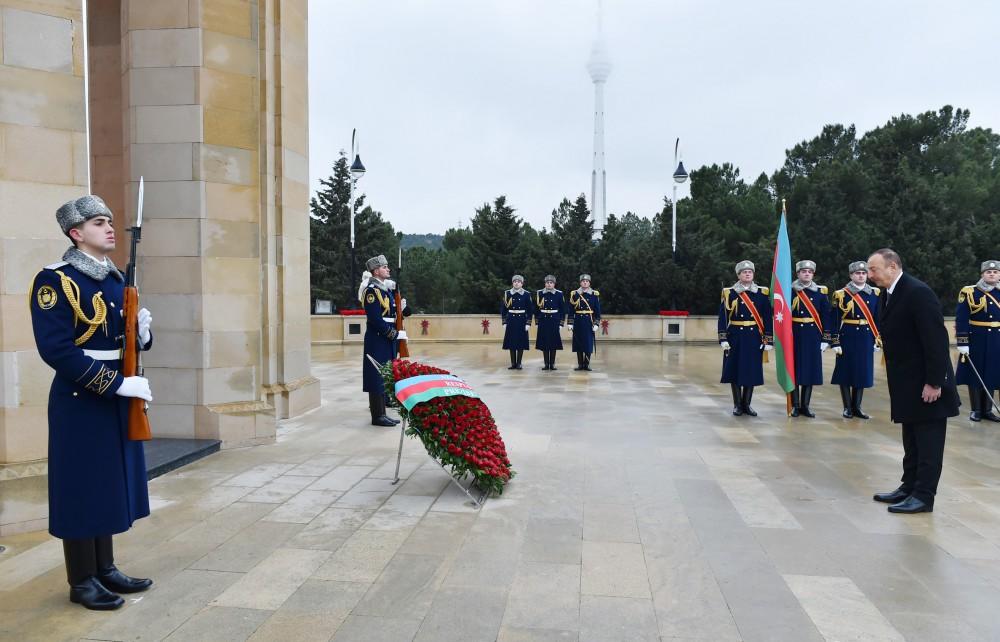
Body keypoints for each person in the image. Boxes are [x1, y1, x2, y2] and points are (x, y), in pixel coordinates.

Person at [28, 195, 154, 610]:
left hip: (117, 394)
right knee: (82, 487)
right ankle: (81, 580)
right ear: (76, 232)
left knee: (108, 483)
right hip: (82, 398)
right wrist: (115, 385)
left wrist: (143, 334)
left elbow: (123, 343)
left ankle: (105, 568)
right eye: (99, 223)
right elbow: (58, 351)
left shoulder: (115, 279)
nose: (110, 228)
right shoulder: (56, 280)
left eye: (110, 221)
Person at [867, 248, 959, 514]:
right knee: (912, 439)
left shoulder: (917, 292)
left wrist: (934, 382)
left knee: (929, 442)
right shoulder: (889, 293)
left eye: (874, 269)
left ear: (892, 266)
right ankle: (908, 487)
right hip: (907, 382)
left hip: (927, 384)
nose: (870, 275)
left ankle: (924, 496)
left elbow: (936, 341)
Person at [718, 260, 773, 416]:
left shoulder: (762, 292)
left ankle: (747, 404)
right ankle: (737, 405)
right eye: (744, 272)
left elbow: (767, 317)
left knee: (751, 370)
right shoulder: (729, 292)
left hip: (754, 337)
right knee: (735, 370)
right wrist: (723, 338)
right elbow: (723, 317)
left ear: (753, 274)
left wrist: (768, 339)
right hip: (735, 336)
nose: (747, 274)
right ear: (738, 275)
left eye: (750, 272)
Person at [829, 261, 881, 419]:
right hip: (848, 336)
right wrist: (835, 341)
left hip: (866, 336)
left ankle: (857, 407)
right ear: (851, 275)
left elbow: (878, 318)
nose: (861, 275)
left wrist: (877, 339)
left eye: (864, 273)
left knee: (862, 372)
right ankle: (847, 407)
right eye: (857, 273)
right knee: (846, 372)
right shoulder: (841, 294)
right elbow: (835, 320)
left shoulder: (875, 293)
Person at [361, 254, 408, 426]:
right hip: (378, 338)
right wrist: (393, 334)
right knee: (375, 375)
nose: (388, 269)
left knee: (385, 374)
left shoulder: (386, 290)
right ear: (375, 271)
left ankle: (383, 411)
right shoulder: (371, 292)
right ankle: (377, 416)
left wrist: (404, 309)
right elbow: (375, 319)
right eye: (384, 267)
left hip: (387, 338)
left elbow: (396, 314)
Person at [955, 260, 1000, 422]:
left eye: (995, 272)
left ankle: (987, 410)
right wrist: (962, 342)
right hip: (977, 337)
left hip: (997, 339)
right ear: (982, 274)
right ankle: (976, 410)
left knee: (992, 372)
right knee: (975, 374)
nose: (992, 274)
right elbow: (961, 318)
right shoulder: (970, 292)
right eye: (988, 272)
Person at [788, 260, 832, 417]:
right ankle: (795, 405)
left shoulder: (820, 292)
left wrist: (826, 338)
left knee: (809, 370)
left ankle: (805, 405)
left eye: (810, 271)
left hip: (813, 335)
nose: (807, 273)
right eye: (803, 271)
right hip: (794, 334)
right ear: (798, 273)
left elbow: (826, 316)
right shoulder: (790, 290)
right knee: (794, 370)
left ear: (813, 274)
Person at [568, 274, 601, 371]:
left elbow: (597, 312)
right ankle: (580, 364)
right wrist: (570, 323)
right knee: (578, 343)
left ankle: (586, 364)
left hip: (588, 321)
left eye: (587, 281)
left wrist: (596, 324)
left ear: (589, 283)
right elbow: (571, 310)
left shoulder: (594, 294)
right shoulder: (575, 294)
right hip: (578, 321)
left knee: (588, 343)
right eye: (583, 281)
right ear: (580, 283)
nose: (585, 282)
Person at [501, 275, 533, 370]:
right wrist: (504, 322)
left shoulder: (526, 294)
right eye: (515, 281)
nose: (516, 283)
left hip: (521, 320)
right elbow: (503, 309)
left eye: (519, 281)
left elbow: (530, 310)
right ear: (512, 283)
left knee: (520, 342)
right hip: (511, 319)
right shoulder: (507, 293)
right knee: (511, 342)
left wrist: (528, 323)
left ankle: (519, 363)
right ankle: (513, 363)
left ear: (522, 283)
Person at [535, 274, 566, 370]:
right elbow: (536, 309)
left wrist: (561, 323)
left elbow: (562, 310)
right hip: (543, 320)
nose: (549, 284)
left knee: (553, 343)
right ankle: (546, 364)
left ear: (554, 284)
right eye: (547, 283)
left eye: (551, 283)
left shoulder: (559, 294)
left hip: (554, 320)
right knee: (544, 343)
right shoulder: (540, 293)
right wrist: (537, 321)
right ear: (545, 284)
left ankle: (552, 364)